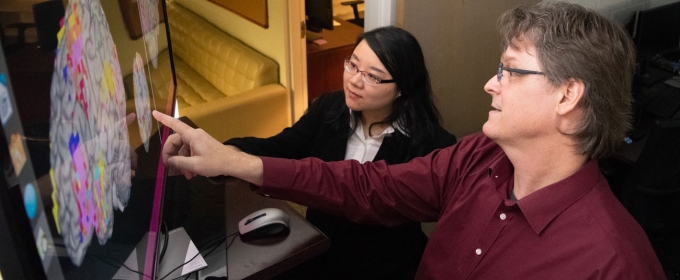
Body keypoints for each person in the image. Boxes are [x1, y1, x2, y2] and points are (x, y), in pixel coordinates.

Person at [153, 2, 667, 279]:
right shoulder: (477, 156)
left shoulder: (613, 262)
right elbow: (367, 187)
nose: (490, 84)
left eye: (509, 71)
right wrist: (236, 161)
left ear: (567, 96)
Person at [223, 26, 456, 279]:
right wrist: (229, 152)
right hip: (318, 248)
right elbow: (281, 146)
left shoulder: (433, 145)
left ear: (402, 88)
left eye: (373, 77)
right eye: (353, 66)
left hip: (384, 265)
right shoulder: (328, 108)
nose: (354, 81)